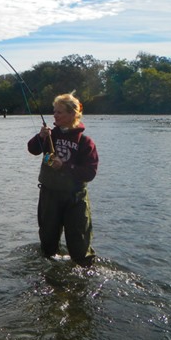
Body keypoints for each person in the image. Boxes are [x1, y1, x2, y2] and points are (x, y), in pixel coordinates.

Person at [27, 93, 99, 267]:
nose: (55, 115)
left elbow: (90, 172)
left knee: (80, 247)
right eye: (54, 111)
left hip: (75, 198)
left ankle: (83, 278)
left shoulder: (85, 142)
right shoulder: (49, 135)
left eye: (59, 112)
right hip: (49, 195)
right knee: (48, 244)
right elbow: (32, 149)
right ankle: (50, 275)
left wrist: (65, 167)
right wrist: (41, 137)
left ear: (72, 114)